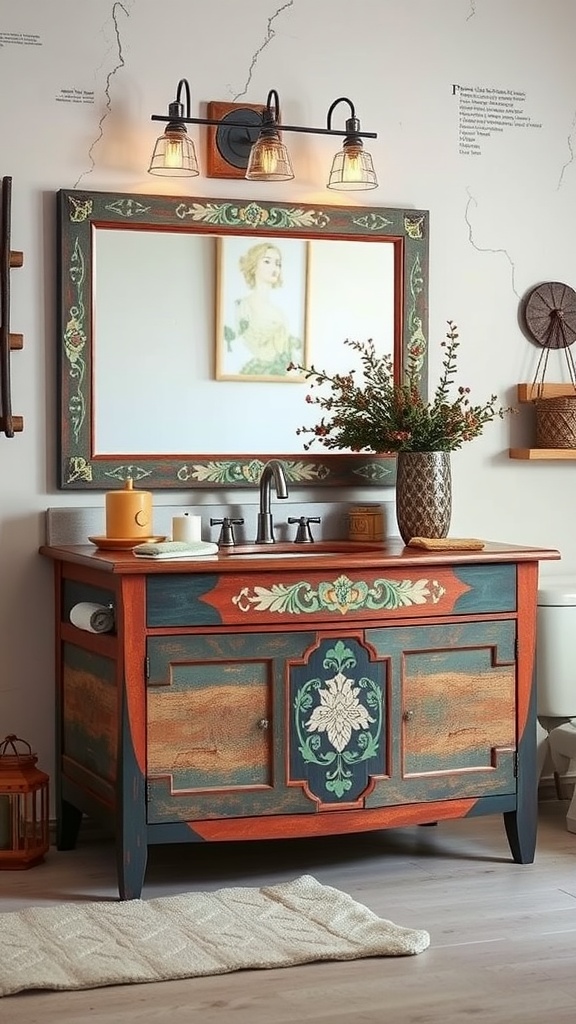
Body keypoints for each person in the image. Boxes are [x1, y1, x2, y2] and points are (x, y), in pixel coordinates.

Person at [224, 243, 302, 376]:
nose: (275, 268)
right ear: (254, 265)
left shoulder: (279, 312)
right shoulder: (243, 306)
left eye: (278, 264)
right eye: (267, 262)